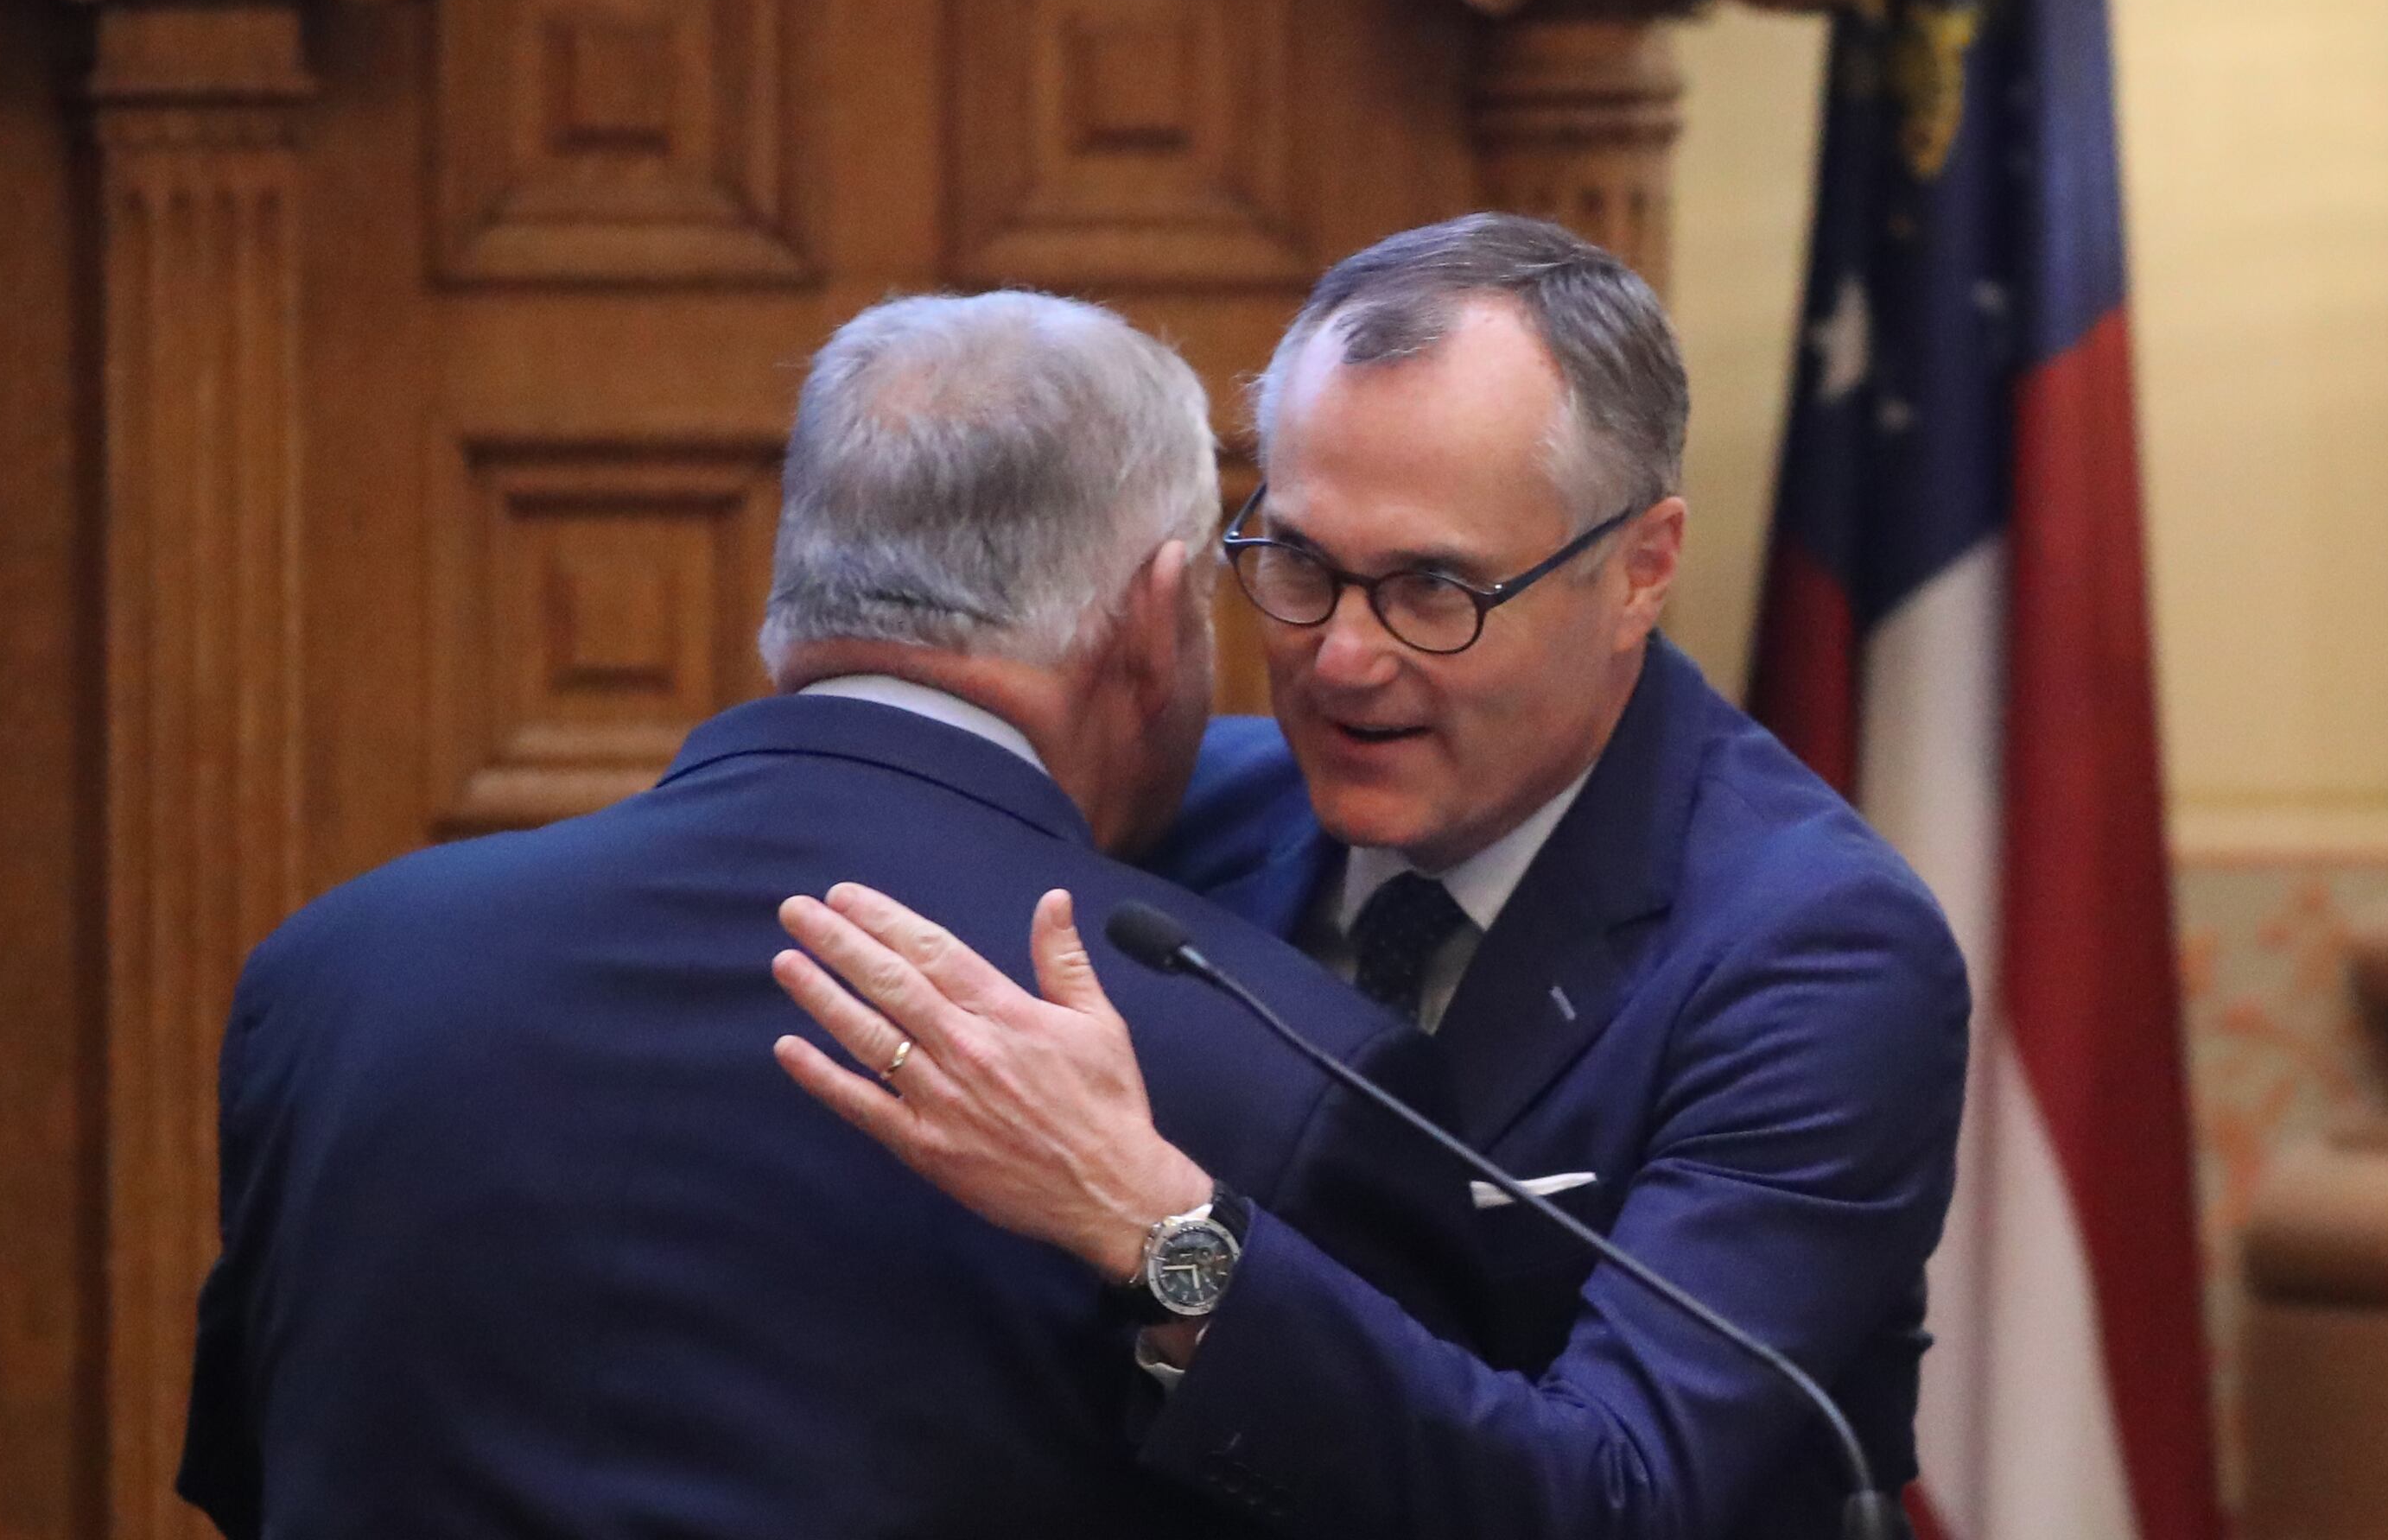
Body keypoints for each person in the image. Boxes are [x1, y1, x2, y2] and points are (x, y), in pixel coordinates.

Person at [176, 292, 1473, 1539]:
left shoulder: (335, 977)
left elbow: (263, 1462)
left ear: (797, 582)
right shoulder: (1277, 1081)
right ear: (1151, 616)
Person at [777, 214, 1972, 1539]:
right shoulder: (1178, 824)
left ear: (1641, 570)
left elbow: (1622, 1499)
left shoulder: (1811, 953)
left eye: (1432, 587)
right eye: (1299, 562)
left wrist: (1168, 1236)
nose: (1340, 659)